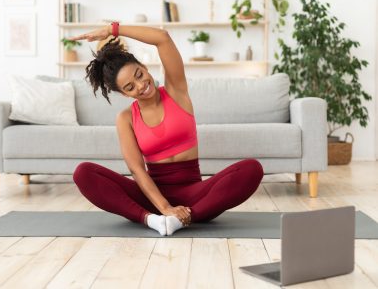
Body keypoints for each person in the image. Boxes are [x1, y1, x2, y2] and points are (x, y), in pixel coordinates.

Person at [70, 23, 264, 236]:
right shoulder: (125, 118)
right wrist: (164, 208)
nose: (140, 85)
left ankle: (182, 219)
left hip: (195, 195)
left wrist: (113, 29)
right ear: (125, 94)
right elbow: (137, 170)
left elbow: (162, 38)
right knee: (84, 173)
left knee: (251, 169)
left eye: (139, 75)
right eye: (130, 87)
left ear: (143, 66)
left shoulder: (176, 90)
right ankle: (152, 220)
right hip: (151, 197)